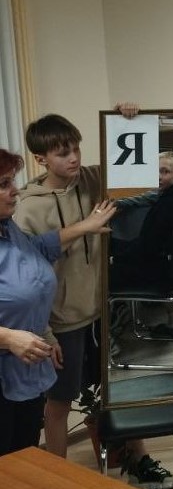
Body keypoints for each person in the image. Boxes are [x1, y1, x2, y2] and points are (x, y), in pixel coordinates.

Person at [13, 111, 173, 489]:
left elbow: (140, 170)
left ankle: (139, 461)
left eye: (76, 148)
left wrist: (129, 120)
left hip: (100, 313)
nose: (73, 157)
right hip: (62, 320)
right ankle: (59, 482)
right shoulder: (27, 206)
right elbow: (25, 269)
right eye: (63, 153)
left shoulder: (90, 179)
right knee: (59, 403)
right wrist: (45, 332)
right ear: (41, 159)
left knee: (116, 391)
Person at [0, 148, 115, 455]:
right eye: (3, 184)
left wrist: (45, 332)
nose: (14, 191)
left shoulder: (7, 228)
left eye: (12, 181)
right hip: (7, 368)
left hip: (25, 370)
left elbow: (35, 252)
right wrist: (8, 338)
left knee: (23, 454)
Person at [110, 150, 173, 337]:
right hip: (168, 267)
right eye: (155, 172)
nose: (158, 177)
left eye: (164, 172)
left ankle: (108, 334)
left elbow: (145, 249)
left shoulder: (168, 205)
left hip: (158, 273)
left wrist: (114, 254)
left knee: (102, 270)